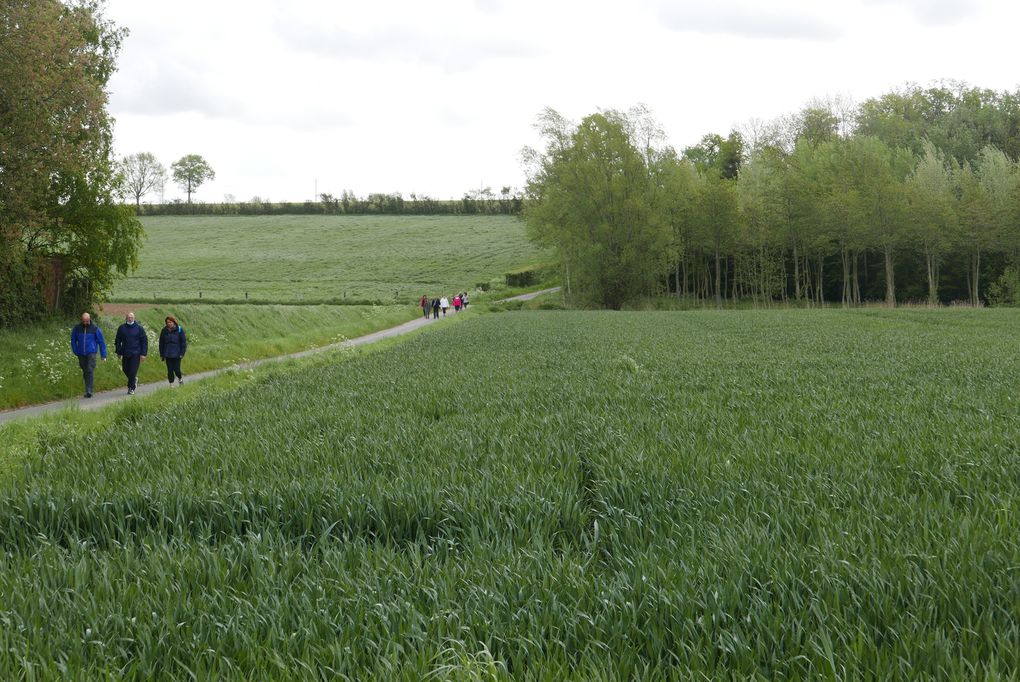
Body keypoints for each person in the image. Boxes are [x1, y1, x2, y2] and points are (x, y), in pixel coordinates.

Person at [70, 312, 107, 398]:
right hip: (81, 353)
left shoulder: (95, 329)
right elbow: (73, 340)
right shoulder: (77, 328)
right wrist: (75, 350)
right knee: (85, 370)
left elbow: (101, 342)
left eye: (87, 321)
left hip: (91, 353)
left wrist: (103, 355)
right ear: (81, 320)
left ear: (89, 319)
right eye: (84, 321)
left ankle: (89, 390)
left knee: (90, 369)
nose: (86, 323)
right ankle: (88, 387)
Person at [114, 311, 148, 395]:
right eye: (128, 317)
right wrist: (118, 351)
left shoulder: (139, 328)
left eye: (131, 317)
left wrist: (143, 354)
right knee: (125, 369)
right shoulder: (122, 328)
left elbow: (144, 341)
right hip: (125, 352)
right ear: (126, 318)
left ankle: (131, 388)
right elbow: (118, 340)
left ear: (134, 318)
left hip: (136, 353)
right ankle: (134, 379)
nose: (130, 319)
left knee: (132, 371)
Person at [158, 315, 187, 386]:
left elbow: (183, 343)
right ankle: (171, 384)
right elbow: (161, 343)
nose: (169, 324)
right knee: (170, 370)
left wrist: (182, 353)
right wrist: (162, 354)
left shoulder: (179, 330)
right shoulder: (164, 330)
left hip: (177, 354)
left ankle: (180, 378)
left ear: (174, 322)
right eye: (167, 322)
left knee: (177, 370)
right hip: (167, 354)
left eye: (171, 322)